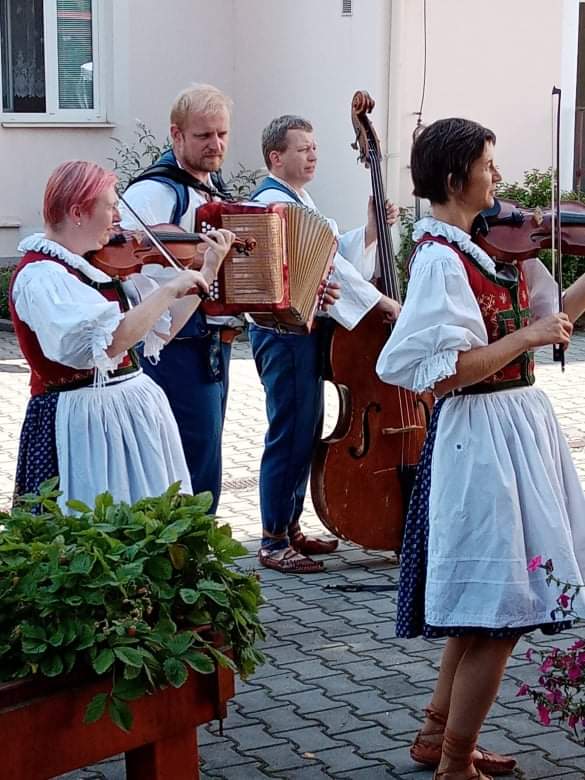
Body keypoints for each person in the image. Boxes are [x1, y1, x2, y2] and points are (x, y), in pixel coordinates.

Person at [376, 118, 585, 779]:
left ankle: (437, 738)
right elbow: (441, 372)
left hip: (514, 428)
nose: (497, 175)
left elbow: (552, 318)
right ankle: (455, 763)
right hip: (480, 435)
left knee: (485, 612)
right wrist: (526, 340)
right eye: (487, 164)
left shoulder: (490, 246)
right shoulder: (441, 260)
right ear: (452, 177)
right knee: (502, 612)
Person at [10, 160, 234, 510]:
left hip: (124, 423)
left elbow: (165, 329)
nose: (118, 218)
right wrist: (168, 290)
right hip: (82, 427)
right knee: (90, 523)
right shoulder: (41, 277)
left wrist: (206, 271)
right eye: (111, 207)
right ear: (78, 213)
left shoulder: (97, 267)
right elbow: (109, 342)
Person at [249, 114, 401, 574]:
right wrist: (381, 304)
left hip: (300, 333)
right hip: (283, 336)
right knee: (290, 434)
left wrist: (371, 232)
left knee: (305, 431)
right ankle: (273, 540)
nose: (313, 155)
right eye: (302, 149)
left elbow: (329, 253)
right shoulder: (274, 204)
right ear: (276, 157)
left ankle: (290, 526)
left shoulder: (296, 200)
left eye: (314, 147)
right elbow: (333, 269)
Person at [119, 83, 238, 514]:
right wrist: (194, 269)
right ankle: (184, 547)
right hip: (172, 348)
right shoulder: (153, 193)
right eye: (204, 135)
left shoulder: (213, 188)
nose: (216, 144)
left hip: (213, 345)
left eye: (222, 134)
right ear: (176, 135)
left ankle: (199, 545)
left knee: (206, 456)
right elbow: (131, 273)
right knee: (184, 463)